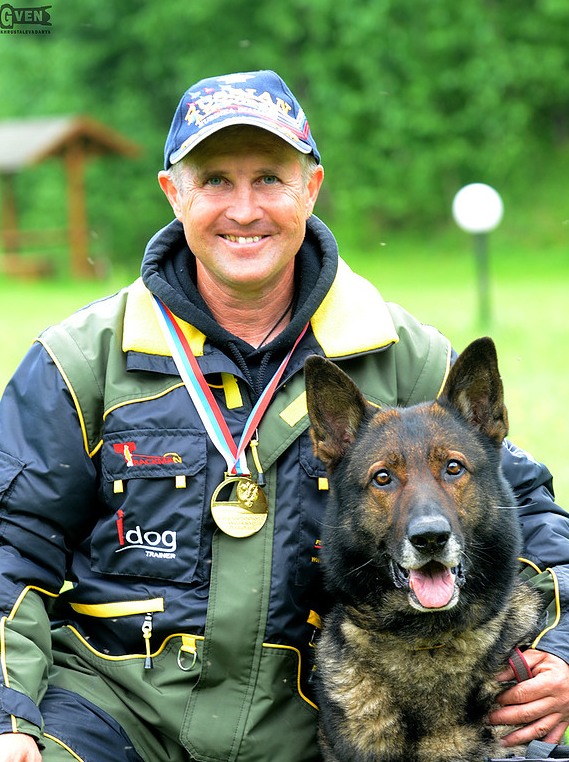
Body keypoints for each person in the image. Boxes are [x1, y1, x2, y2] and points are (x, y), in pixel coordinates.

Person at [0, 69, 568, 762]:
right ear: (172, 193)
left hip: (312, 724)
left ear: (311, 187)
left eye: (269, 177)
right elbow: (11, 544)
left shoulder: (398, 353)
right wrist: (8, 718)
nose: (244, 209)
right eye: (214, 180)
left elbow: (526, 510)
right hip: (113, 714)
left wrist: (559, 651)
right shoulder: (79, 360)